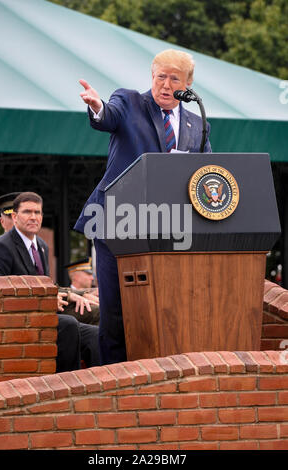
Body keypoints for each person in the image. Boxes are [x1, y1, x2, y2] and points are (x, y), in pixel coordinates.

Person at [74, 49, 212, 365]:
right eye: (159, 76)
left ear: (187, 84)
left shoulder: (197, 124)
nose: (165, 84)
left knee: (158, 311)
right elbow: (107, 116)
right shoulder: (130, 102)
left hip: (166, 229)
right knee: (116, 313)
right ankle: (112, 385)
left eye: (173, 78)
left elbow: (205, 172)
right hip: (115, 224)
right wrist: (97, 107)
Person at [0, 191, 100, 372]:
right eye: (27, 212)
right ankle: (66, 384)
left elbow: (48, 286)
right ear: (14, 217)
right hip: (23, 318)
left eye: (38, 213)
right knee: (70, 325)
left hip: (47, 310)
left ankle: (101, 382)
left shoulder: (40, 245)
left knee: (96, 319)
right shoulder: (1, 247)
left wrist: (76, 295)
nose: (34, 217)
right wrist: (44, 300)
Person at [60, 258, 100, 325]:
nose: (92, 278)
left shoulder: (93, 292)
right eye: (88, 274)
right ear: (76, 277)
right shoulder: (64, 295)